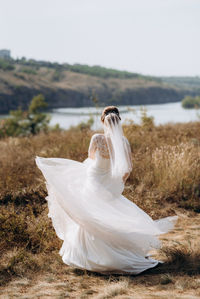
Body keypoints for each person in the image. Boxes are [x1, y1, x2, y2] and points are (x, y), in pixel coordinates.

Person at [35, 106, 177, 274]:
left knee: (89, 214)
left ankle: (88, 256)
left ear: (103, 120)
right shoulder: (123, 142)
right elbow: (127, 169)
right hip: (111, 183)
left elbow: (91, 157)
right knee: (108, 214)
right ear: (119, 121)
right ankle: (115, 253)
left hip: (95, 180)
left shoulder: (97, 138)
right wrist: (118, 183)